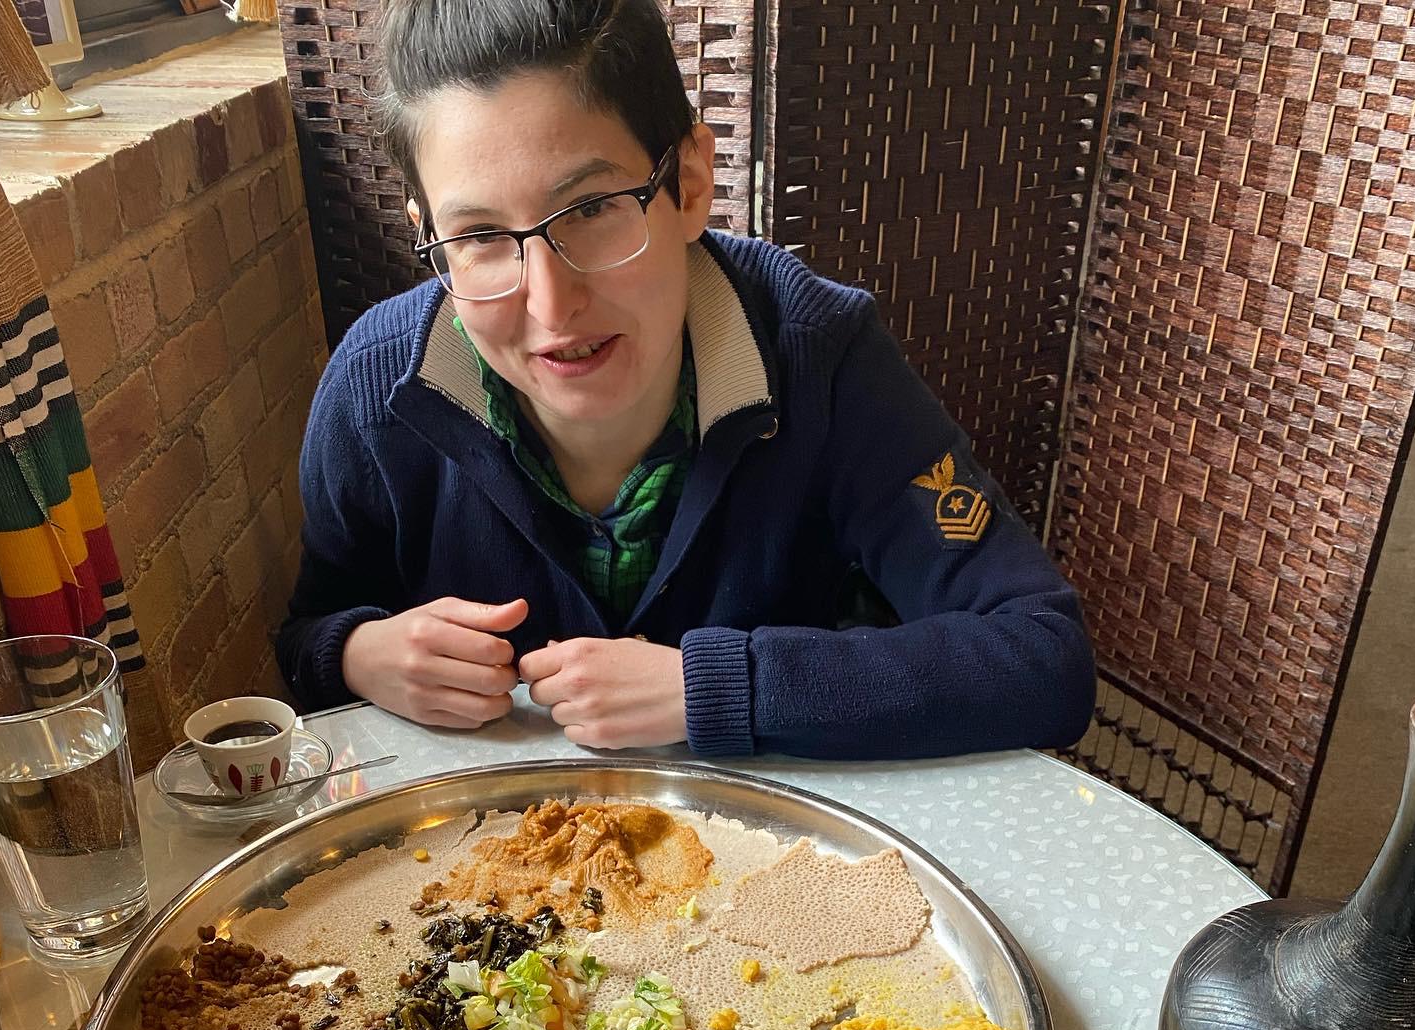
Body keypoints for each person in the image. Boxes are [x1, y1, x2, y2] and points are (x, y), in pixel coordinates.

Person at [275, 0, 1097, 760]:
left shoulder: (820, 356)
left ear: (691, 184)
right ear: (430, 237)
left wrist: (718, 686)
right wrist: (356, 653)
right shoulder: (374, 389)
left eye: (592, 209)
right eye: (481, 236)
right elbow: (310, 632)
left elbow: (1042, 654)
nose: (551, 305)